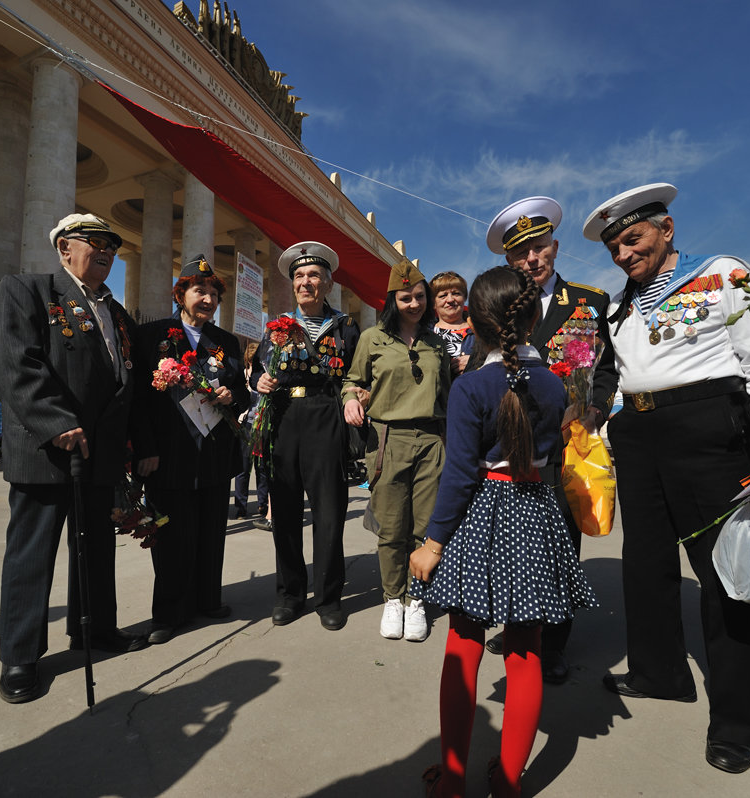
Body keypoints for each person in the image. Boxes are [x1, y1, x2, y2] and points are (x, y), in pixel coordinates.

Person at [581, 183, 750, 773]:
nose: (624, 255)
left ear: (666, 229)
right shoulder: (618, 305)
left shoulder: (724, 272)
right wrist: (608, 424)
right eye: (615, 248)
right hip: (639, 437)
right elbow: (621, 374)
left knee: (723, 574)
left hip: (708, 430)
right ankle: (659, 674)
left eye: (633, 239)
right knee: (645, 566)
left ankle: (737, 722)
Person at [409, 266, 596, 798]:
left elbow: (460, 475)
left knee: (464, 642)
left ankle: (451, 780)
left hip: (481, 517)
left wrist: (432, 544)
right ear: (535, 317)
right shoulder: (556, 385)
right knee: (526, 648)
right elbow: (554, 458)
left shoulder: (472, 386)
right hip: (536, 513)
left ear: (474, 320)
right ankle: (510, 782)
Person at [0, 213, 147, 705]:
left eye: (112, 246)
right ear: (64, 248)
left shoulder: (116, 313)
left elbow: (124, 383)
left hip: (99, 455)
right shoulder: (28, 291)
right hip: (47, 450)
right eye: (94, 242)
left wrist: (131, 446)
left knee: (96, 548)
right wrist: (55, 422)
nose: (105, 251)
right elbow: (17, 362)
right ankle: (20, 656)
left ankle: (97, 630)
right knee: (32, 554)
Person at [481, 196, 618, 684]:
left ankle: (553, 642)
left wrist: (594, 409)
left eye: (538, 248)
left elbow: (604, 369)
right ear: (508, 261)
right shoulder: (499, 306)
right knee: (515, 546)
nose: (531, 259)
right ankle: (522, 627)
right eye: (520, 254)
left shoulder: (589, 302)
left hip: (566, 448)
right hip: (510, 447)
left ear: (554, 247)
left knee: (559, 545)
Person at [133, 255, 248, 645]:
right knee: (170, 537)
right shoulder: (153, 336)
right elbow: (138, 400)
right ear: (180, 294)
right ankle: (168, 612)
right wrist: (144, 448)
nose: (208, 298)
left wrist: (233, 395)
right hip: (168, 456)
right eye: (200, 290)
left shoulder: (226, 343)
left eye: (214, 293)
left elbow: (244, 394)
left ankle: (208, 601)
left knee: (210, 533)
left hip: (214, 454)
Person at [250, 241, 360, 631]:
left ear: (328, 283)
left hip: (325, 414)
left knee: (329, 511)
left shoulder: (346, 326)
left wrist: (353, 395)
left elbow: (356, 373)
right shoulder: (277, 325)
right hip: (284, 416)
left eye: (313, 275)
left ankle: (328, 597)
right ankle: (289, 594)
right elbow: (256, 369)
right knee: (284, 510)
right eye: (299, 276)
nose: (305, 282)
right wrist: (257, 379)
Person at [343, 258, 450, 642]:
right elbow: (352, 380)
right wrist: (350, 400)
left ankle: (416, 599)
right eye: (406, 298)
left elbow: (449, 393)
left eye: (420, 296)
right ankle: (393, 597)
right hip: (387, 439)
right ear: (393, 300)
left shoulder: (437, 341)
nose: (414, 304)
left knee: (424, 528)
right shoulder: (373, 338)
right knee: (392, 527)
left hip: (432, 440)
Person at [234, 341, 269, 524]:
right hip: (247, 425)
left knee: (262, 467)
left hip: (263, 424)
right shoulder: (244, 375)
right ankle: (241, 506)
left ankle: (263, 504)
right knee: (243, 467)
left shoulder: (266, 375)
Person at [429, 270, 472, 375]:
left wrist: (477, 363)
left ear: (464, 298)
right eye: (443, 295)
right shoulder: (423, 334)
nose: (450, 299)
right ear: (433, 303)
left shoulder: (481, 331)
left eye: (456, 293)